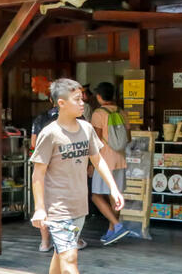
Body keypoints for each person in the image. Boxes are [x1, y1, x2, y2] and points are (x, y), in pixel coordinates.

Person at [30, 78, 125, 274]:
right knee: (70, 259)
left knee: (60, 255)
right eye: (77, 100)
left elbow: (98, 161)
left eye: (82, 99)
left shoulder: (87, 129)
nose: (83, 103)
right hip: (58, 208)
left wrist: (114, 189)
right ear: (61, 103)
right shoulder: (50, 134)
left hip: (79, 206)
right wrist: (40, 209)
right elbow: (37, 174)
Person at [90, 82, 130, 245]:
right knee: (116, 196)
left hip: (103, 161)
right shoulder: (122, 112)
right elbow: (129, 137)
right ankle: (112, 231)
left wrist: (91, 164)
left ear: (99, 96)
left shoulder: (98, 113)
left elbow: (96, 141)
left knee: (96, 196)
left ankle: (117, 225)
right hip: (120, 159)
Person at [31, 92, 62, 252]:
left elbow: (33, 143)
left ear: (50, 100)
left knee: (43, 201)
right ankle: (70, 240)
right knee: (64, 203)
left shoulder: (40, 118)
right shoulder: (74, 118)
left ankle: (45, 242)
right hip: (65, 166)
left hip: (45, 164)